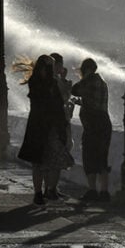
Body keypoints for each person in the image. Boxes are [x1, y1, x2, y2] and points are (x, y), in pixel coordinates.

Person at [17, 54, 74, 205]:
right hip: (43, 128)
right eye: (50, 67)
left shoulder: (41, 82)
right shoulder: (43, 83)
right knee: (41, 162)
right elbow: (56, 103)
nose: (50, 70)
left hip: (43, 127)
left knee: (49, 161)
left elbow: (60, 101)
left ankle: (46, 191)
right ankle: (41, 192)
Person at [71, 58, 112, 202]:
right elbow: (93, 101)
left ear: (87, 69)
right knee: (102, 158)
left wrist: (85, 77)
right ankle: (104, 192)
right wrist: (80, 102)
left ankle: (93, 190)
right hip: (104, 123)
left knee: (89, 157)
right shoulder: (102, 82)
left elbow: (74, 89)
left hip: (93, 125)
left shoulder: (89, 81)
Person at [48, 52, 74, 199]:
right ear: (57, 65)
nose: (63, 68)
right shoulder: (56, 81)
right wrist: (64, 80)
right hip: (58, 124)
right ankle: (51, 190)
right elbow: (64, 97)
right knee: (58, 157)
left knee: (51, 158)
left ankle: (50, 189)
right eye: (61, 64)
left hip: (51, 123)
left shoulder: (47, 80)